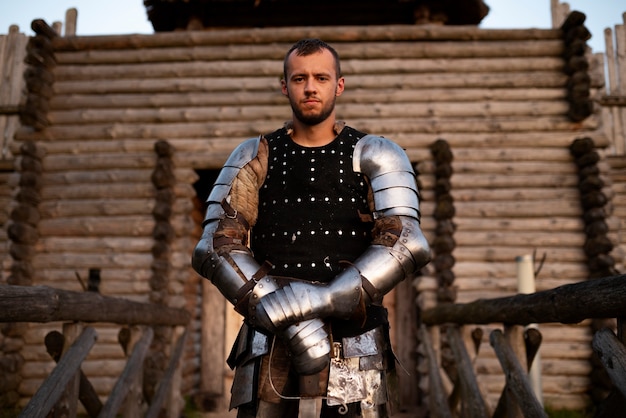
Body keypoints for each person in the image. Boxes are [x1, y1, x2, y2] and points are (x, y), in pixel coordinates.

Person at [192, 38, 431, 418]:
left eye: (321, 77)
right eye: (299, 78)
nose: (310, 87)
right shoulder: (253, 156)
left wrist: (322, 300)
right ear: (285, 85)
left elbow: (405, 241)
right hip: (269, 344)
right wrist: (285, 314)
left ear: (339, 84)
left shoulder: (377, 153)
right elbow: (216, 246)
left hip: (355, 343)